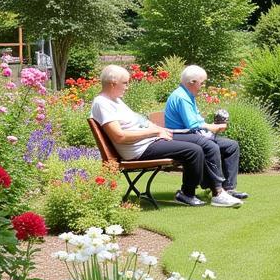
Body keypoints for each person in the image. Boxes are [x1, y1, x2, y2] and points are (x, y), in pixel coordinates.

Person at [90, 65, 218, 208]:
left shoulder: (115, 100)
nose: (127, 87)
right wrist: (154, 132)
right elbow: (119, 137)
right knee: (193, 150)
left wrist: (159, 130)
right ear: (113, 84)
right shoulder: (102, 103)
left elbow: (138, 123)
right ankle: (187, 194)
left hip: (149, 140)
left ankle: (215, 187)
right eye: (125, 83)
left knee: (199, 142)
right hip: (139, 149)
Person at [164, 65, 248, 205]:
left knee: (231, 146)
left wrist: (210, 128)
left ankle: (229, 188)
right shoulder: (182, 97)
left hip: (192, 134)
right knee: (210, 146)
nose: (203, 86)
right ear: (192, 82)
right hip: (180, 136)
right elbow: (192, 125)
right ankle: (217, 192)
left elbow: (197, 122)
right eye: (202, 83)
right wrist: (214, 127)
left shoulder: (188, 95)